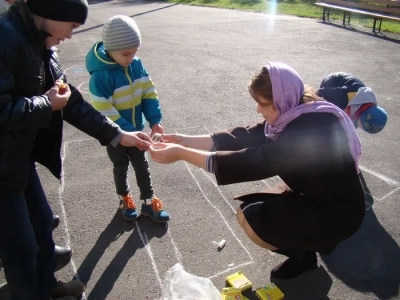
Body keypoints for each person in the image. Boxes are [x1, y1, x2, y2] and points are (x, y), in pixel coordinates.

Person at [149, 62, 366, 279]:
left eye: (263, 104)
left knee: (256, 223)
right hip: (313, 191)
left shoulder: (307, 131)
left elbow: (256, 162)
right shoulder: (296, 110)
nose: (258, 110)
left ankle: (304, 256)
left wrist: (181, 154)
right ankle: (304, 247)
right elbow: (247, 135)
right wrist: (185, 141)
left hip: (337, 212)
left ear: (281, 100)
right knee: (246, 214)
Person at [0, 1, 152, 299]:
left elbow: (71, 102)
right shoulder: (6, 37)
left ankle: (46, 286)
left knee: (42, 224)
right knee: (20, 245)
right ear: (53, 13)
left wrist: (118, 134)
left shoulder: (42, 43)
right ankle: (27, 293)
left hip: (17, 159)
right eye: (71, 26)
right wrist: (46, 104)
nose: (70, 35)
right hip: (2, 166)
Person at [85, 15, 170, 223]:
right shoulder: (100, 76)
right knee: (120, 166)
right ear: (110, 49)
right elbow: (102, 109)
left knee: (142, 166)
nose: (131, 57)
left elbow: (148, 93)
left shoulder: (136, 65)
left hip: (137, 131)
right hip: (116, 135)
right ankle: (125, 199)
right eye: (126, 53)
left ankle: (149, 202)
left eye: (135, 52)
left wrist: (155, 121)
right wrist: (124, 133)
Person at [317, 72, 388, 134]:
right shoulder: (345, 97)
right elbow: (324, 92)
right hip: (333, 81)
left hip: (349, 90)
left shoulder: (366, 107)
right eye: (363, 127)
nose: (362, 129)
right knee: (332, 110)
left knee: (349, 123)